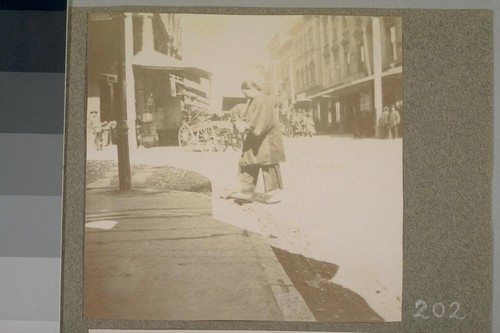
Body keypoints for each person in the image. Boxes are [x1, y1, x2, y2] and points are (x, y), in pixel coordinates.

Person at [231, 80, 286, 204]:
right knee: (247, 161)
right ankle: (247, 191)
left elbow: (262, 120)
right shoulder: (253, 101)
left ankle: (274, 194)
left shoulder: (264, 101)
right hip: (256, 137)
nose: (244, 95)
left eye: (244, 92)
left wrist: (247, 127)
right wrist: (242, 123)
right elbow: (248, 117)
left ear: (248, 89)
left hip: (267, 139)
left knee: (269, 164)